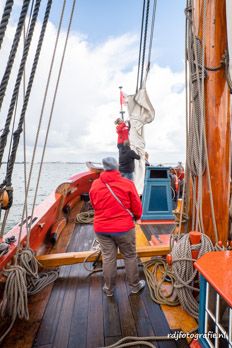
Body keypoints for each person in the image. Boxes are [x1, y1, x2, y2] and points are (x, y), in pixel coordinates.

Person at [89, 157, 145, 297]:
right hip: (124, 228)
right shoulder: (127, 184)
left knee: (108, 258)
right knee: (130, 256)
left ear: (104, 168)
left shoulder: (95, 184)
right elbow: (137, 207)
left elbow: (93, 204)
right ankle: (134, 286)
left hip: (101, 228)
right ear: (117, 167)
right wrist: (136, 217)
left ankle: (108, 289)